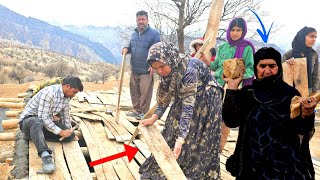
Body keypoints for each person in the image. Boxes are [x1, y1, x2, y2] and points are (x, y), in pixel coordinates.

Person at [223, 47, 316, 179]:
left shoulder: (290, 94)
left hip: (282, 166)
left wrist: (307, 114)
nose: (267, 71)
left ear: (279, 68)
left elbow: (302, 130)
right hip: (251, 165)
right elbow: (231, 120)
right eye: (262, 66)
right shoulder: (248, 93)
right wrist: (232, 87)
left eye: (272, 66)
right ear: (256, 68)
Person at [138, 42, 223, 179]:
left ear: (169, 60)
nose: (160, 71)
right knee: (173, 125)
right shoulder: (169, 65)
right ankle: (173, 160)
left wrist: (181, 140)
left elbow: (188, 107)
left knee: (196, 133)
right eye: (155, 68)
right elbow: (166, 96)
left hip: (207, 96)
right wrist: (154, 117)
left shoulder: (189, 69)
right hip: (187, 93)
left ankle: (193, 168)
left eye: (161, 67)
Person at [201, 17, 255, 152]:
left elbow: (251, 69)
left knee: (226, 117)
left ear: (243, 31)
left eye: (238, 30)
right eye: (232, 29)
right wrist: (206, 61)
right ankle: (206, 144)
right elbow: (215, 66)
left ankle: (218, 148)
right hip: (218, 85)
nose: (235, 33)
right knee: (212, 113)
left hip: (234, 88)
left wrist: (236, 76)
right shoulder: (223, 47)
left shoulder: (247, 48)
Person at [19, 77, 83, 174]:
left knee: (69, 137)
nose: (74, 95)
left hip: (43, 123)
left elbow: (65, 116)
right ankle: (45, 156)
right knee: (36, 122)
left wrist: (69, 132)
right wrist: (60, 132)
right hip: (29, 122)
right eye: (74, 92)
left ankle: (34, 136)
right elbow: (42, 118)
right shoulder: (50, 93)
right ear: (67, 86)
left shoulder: (66, 97)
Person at [122, 10, 161, 120]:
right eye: (139, 19)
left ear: (147, 20)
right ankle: (136, 110)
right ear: (136, 21)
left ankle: (144, 113)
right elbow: (131, 46)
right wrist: (126, 49)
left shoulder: (154, 34)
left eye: (143, 19)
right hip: (135, 68)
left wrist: (154, 66)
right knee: (134, 90)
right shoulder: (134, 33)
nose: (141, 21)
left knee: (145, 93)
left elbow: (157, 51)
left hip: (146, 69)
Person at [283, 26, 318, 94]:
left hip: (309, 91)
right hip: (291, 92)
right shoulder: (289, 54)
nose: (314, 39)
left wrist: (314, 93)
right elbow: (281, 76)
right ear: (302, 37)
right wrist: (287, 65)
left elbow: (315, 75)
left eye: (315, 37)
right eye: (311, 36)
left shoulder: (314, 54)